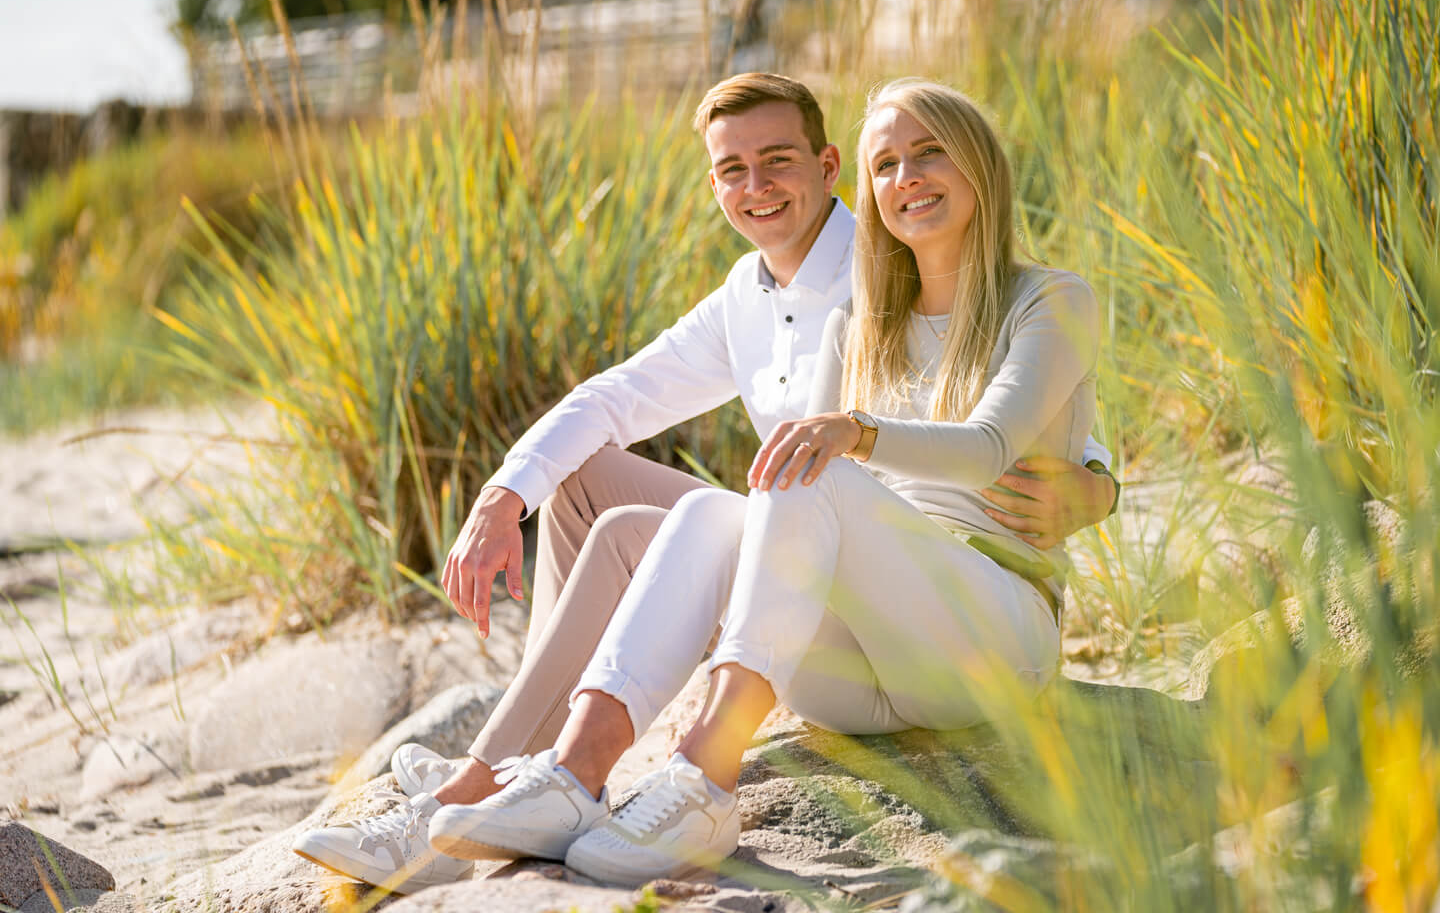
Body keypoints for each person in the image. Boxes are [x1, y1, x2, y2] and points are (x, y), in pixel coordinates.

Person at [292, 74, 1117, 893]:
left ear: (830, 170)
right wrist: (504, 494)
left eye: (930, 154)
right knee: (643, 511)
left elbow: (1005, 430)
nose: (907, 180)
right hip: (857, 650)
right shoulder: (822, 316)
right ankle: (559, 773)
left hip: (977, 621)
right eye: (891, 165)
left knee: (796, 473)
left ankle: (685, 775)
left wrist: (1097, 483)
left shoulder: (1024, 293)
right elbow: (619, 396)